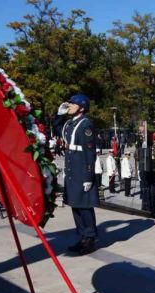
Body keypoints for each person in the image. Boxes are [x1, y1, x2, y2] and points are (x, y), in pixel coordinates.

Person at [53, 93, 99, 255]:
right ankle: (82, 237)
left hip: (81, 171)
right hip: (73, 171)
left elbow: (90, 152)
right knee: (76, 205)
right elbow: (58, 129)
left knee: (85, 207)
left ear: (81, 107)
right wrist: (59, 115)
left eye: (72, 104)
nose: (69, 106)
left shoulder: (85, 125)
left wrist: (88, 177)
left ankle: (90, 238)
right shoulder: (71, 123)